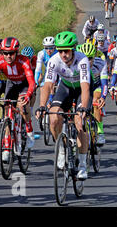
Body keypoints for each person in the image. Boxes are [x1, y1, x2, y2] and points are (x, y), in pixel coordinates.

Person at [35, 31, 91, 180]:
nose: (63, 54)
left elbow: (85, 88)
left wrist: (83, 108)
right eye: (60, 51)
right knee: (53, 118)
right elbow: (47, 86)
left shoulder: (82, 60)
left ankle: (83, 165)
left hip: (80, 90)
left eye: (66, 51)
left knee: (79, 122)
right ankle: (61, 148)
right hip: (65, 89)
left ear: (73, 49)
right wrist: (42, 105)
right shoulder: (54, 60)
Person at [0, 37, 36, 162]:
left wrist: (28, 95)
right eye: (5, 53)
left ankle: (29, 130)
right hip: (11, 84)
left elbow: (31, 82)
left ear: (16, 52)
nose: (8, 56)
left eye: (11, 53)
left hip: (24, 84)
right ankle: (7, 148)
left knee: (22, 106)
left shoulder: (23, 61)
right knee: (8, 111)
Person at [77, 43, 107, 145]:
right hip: (82, 86)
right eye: (84, 57)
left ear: (94, 56)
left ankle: (100, 132)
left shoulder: (101, 63)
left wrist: (103, 97)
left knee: (96, 102)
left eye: (90, 58)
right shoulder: (76, 63)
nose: (87, 61)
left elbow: (104, 84)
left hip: (96, 86)